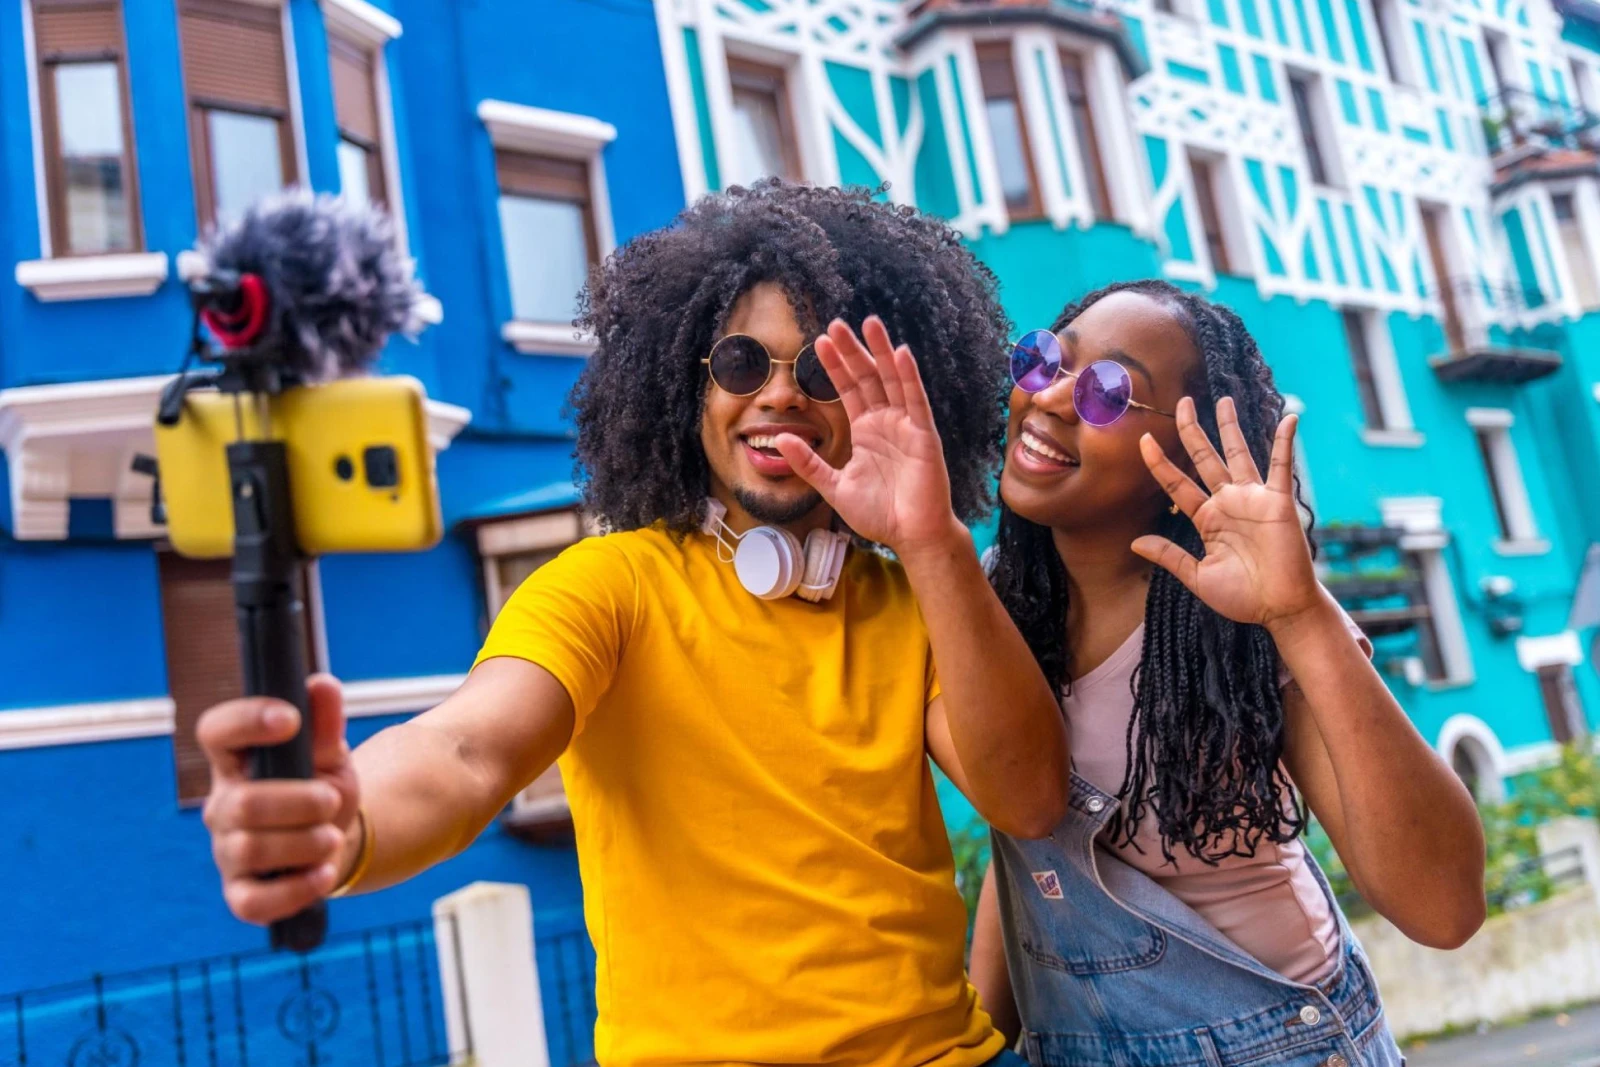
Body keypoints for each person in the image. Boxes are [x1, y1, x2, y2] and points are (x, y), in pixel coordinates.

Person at [194, 181, 1067, 1067]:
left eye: (817, 373)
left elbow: (1029, 798)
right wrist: (343, 823)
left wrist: (933, 542)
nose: (777, 396)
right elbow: (467, 750)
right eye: (739, 364)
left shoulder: (921, 596)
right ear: (686, 387)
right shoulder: (609, 588)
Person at [969, 280, 1486, 1066]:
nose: (1053, 399)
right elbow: (1034, 856)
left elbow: (1444, 909)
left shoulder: (1245, 622)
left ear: (1180, 455)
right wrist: (981, 1039)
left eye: (1110, 392)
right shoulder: (1000, 590)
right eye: (1045, 360)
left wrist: (1302, 616)